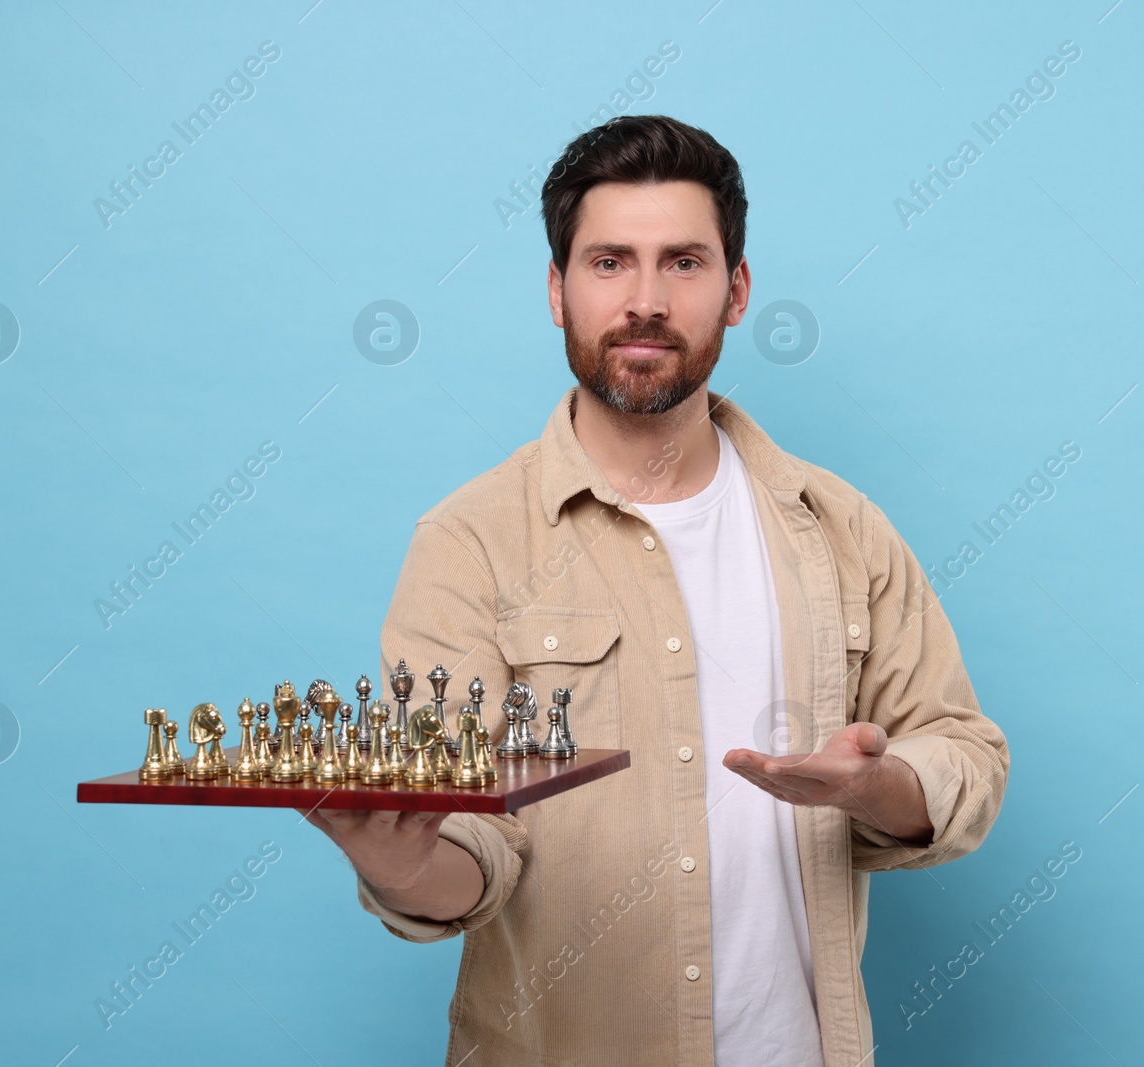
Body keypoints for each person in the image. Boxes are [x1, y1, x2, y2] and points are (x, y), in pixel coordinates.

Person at [299, 114, 1009, 1066]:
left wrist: (871, 785)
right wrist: (405, 867)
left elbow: (966, 755)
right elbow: (473, 845)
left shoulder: (842, 526)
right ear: (557, 291)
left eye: (683, 261)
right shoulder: (468, 543)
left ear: (737, 288)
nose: (644, 300)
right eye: (608, 263)